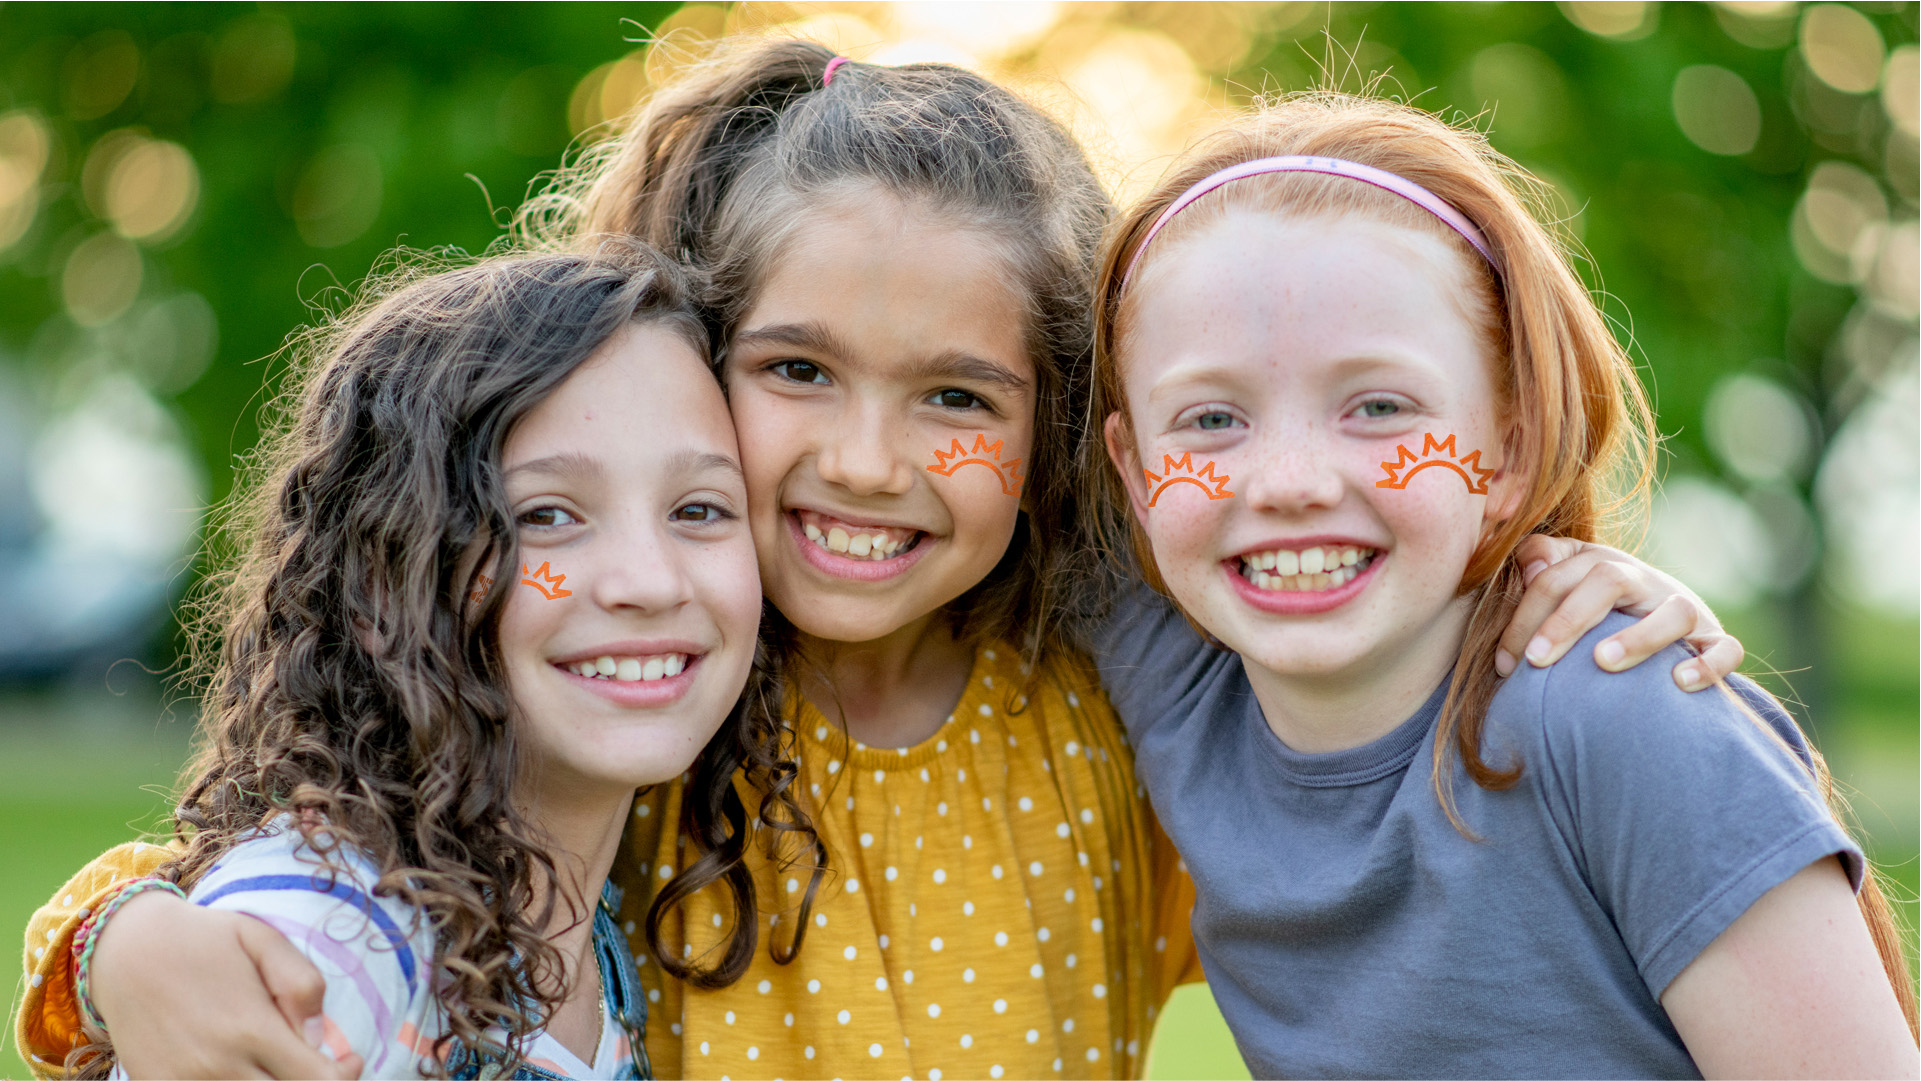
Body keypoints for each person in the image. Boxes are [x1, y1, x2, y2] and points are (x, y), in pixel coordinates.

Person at [16, 43, 1748, 1081]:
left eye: (958, 397)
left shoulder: (1120, 697)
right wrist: (118, 939)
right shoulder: (650, 694)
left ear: (1062, 425)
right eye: (795, 373)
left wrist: (1541, 580)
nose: (866, 461)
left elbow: (1368, 745)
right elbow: (340, 845)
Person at [1089, 92, 1920, 1078]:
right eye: (1210, 420)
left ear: (1509, 452)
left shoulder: (1623, 722)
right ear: (1134, 475)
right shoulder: (1174, 684)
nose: (1289, 483)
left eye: (1379, 406)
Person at [38, 244, 810, 1079]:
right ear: (380, 590)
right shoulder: (328, 940)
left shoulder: (589, 922)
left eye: (698, 508)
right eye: (547, 515)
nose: (650, 581)